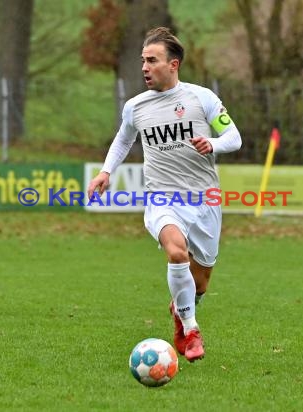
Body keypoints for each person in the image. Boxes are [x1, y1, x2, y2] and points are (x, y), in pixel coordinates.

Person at [87, 27, 242, 362]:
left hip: (205, 201)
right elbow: (123, 139)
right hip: (163, 199)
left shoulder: (202, 98)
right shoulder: (135, 107)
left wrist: (212, 143)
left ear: (173, 65)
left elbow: (234, 137)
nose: (144, 67)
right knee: (176, 252)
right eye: (142, 60)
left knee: (199, 284)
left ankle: (182, 310)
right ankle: (190, 328)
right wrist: (105, 171)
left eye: (152, 60)